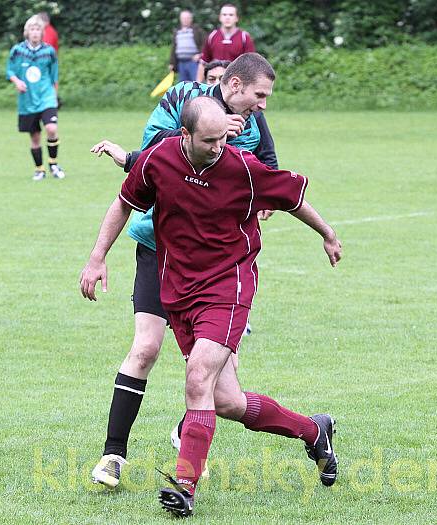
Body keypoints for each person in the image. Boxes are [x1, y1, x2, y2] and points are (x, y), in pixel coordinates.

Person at [80, 96, 342, 517]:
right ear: (184, 135)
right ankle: (314, 431)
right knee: (227, 401)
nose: (219, 147)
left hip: (228, 286)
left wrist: (328, 234)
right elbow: (124, 204)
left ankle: (185, 485)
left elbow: (293, 198)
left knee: (197, 374)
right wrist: (97, 257)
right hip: (178, 291)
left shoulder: (241, 167)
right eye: (209, 140)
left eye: (223, 138)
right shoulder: (158, 160)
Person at [89, 53, 281, 488]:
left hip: (217, 265)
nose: (262, 106)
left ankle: (187, 436)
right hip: (160, 248)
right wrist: (215, 139)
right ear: (233, 85)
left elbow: (264, 173)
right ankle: (113, 455)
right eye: (259, 96)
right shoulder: (180, 99)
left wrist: (262, 201)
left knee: (212, 375)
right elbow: (153, 158)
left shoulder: (252, 122)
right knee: (145, 348)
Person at [6, 15, 65, 181]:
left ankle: (53, 164)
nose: (35, 32)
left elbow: (54, 76)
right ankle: (39, 170)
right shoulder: (17, 51)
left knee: (51, 129)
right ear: (27, 32)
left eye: (38, 29)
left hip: (46, 97)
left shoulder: (49, 51)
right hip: (27, 101)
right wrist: (17, 81)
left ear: (42, 32)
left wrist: (53, 96)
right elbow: (10, 71)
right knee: (35, 137)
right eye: (32, 29)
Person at [170, 10, 205, 82]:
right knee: (183, 86)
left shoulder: (197, 30)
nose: (185, 20)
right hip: (181, 63)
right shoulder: (177, 31)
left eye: (187, 18)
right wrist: (172, 63)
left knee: (196, 83)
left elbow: (205, 44)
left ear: (191, 19)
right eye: (183, 18)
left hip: (194, 62)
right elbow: (174, 48)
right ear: (180, 19)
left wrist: (200, 55)